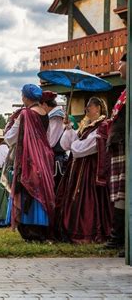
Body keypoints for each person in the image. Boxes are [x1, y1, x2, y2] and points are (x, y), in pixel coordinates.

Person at [56, 97, 111, 243]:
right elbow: (66, 145)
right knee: (76, 197)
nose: (86, 109)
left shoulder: (102, 125)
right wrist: (68, 128)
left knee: (89, 199)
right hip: (79, 169)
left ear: (98, 107)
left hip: (91, 170)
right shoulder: (87, 125)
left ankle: (89, 231)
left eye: (89, 106)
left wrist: (75, 144)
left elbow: (86, 148)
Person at [5, 84, 55, 242]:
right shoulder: (45, 114)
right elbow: (47, 137)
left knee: (28, 190)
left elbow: (10, 137)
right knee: (43, 191)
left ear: (26, 97)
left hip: (29, 158)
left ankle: (30, 231)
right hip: (45, 157)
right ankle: (42, 229)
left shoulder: (25, 114)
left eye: (22, 95)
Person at [104, 53, 127, 256]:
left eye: (121, 63)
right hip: (119, 148)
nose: (118, 67)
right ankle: (118, 238)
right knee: (121, 194)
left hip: (125, 148)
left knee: (125, 194)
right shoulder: (125, 93)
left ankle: (121, 239)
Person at [40, 91, 67, 191]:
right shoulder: (53, 116)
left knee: (56, 190)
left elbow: (51, 141)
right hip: (53, 157)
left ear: (44, 104)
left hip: (56, 159)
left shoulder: (55, 117)